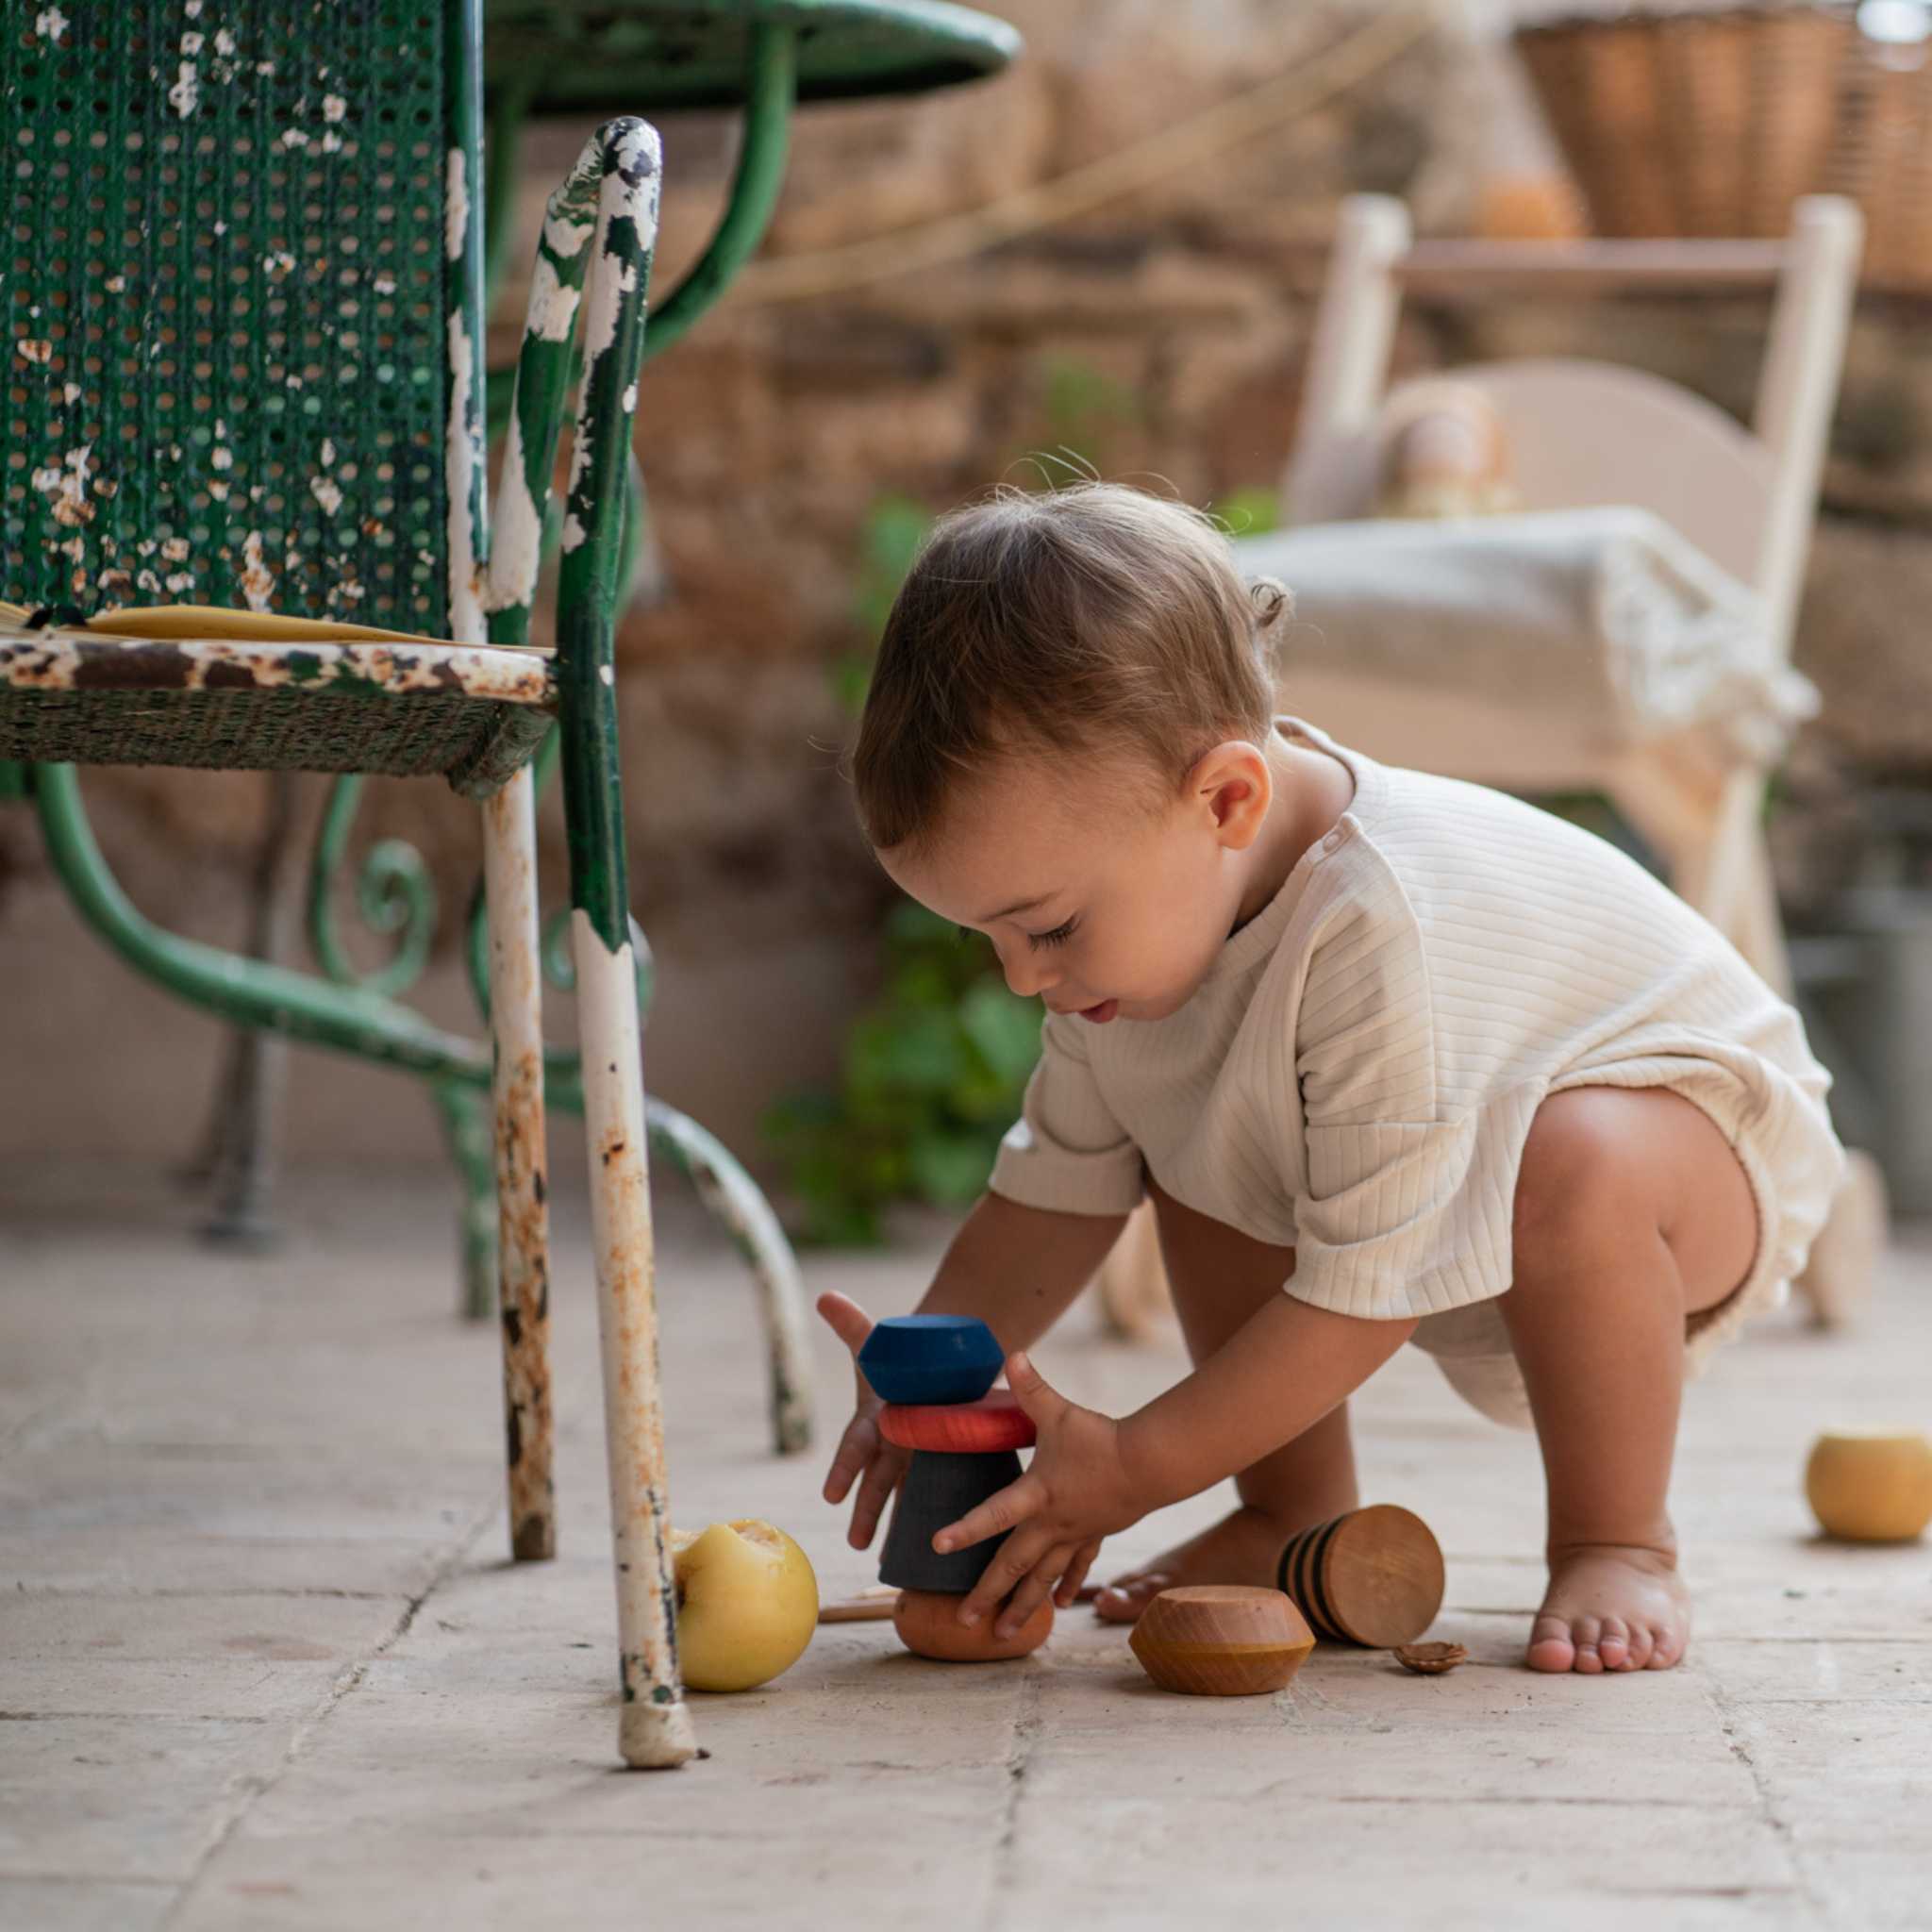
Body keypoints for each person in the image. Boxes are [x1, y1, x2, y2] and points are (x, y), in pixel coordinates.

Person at [818, 480, 1842, 1674]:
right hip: (1446, 1170)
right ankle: (1292, 1509)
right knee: (1192, 1122)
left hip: (1695, 1154)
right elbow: (1051, 1195)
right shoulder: (1135, 935)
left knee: (1571, 1157)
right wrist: (933, 1366)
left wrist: (1135, 1463)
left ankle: (1620, 1535)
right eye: (983, 937)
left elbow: (1367, 1300)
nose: (1020, 977)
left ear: (1225, 798)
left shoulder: (1374, 926)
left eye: (1042, 926)